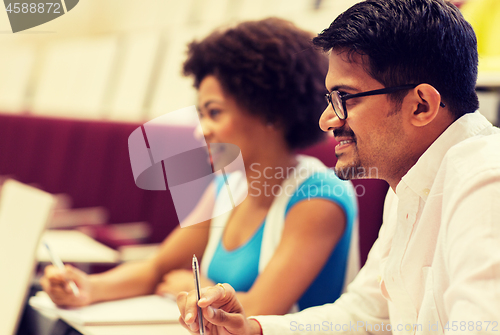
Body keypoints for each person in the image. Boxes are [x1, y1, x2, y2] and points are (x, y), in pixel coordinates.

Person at [176, 0, 500, 334]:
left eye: (344, 98)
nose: (327, 119)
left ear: (421, 106)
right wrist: (253, 329)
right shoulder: (409, 181)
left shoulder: (487, 183)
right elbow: (366, 315)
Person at [40, 18, 359, 317]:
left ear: (270, 113)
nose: (201, 129)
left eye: (214, 113)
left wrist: (195, 288)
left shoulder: (320, 197)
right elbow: (157, 269)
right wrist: (88, 288)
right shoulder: (228, 185)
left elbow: (261, 309)